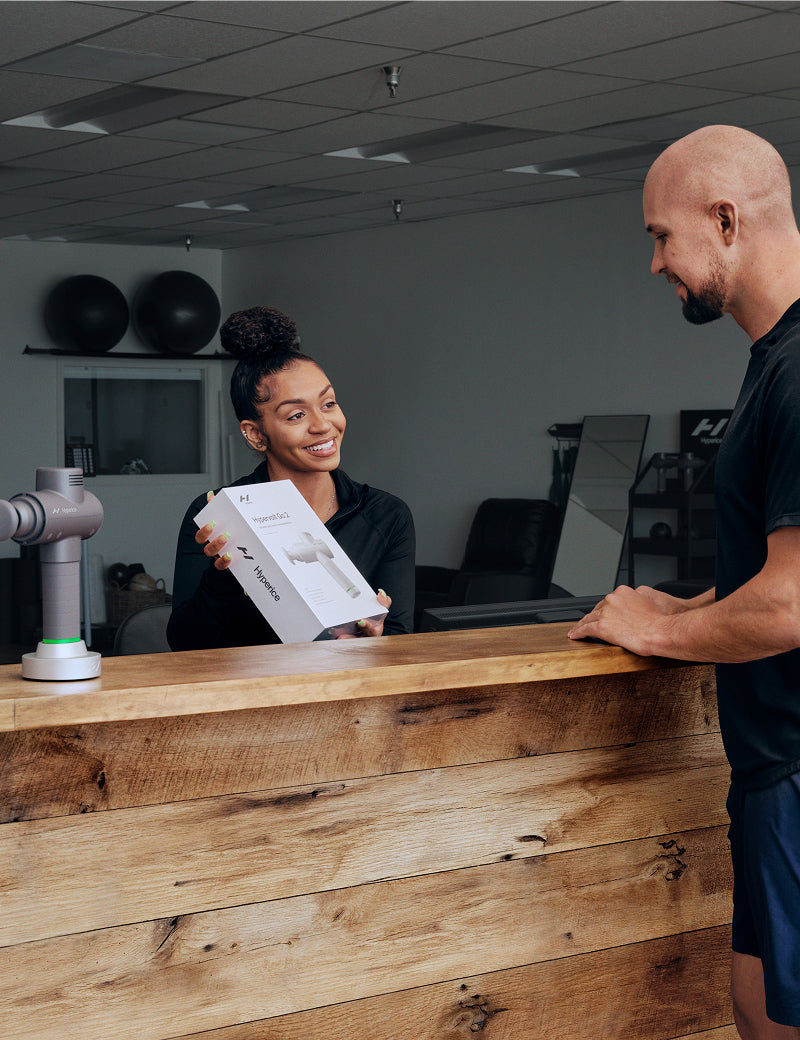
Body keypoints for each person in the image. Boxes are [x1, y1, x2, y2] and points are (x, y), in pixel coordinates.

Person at [568, 125, 800, 1039]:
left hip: (794, 763)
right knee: (754, 1005)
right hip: (771, 767)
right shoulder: (773, 362)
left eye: (663, 237)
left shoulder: (798, 373)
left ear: (726, 220)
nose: (656, 263)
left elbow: (792, 604)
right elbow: (770, 573)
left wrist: (656, 635)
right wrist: (693, 605)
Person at [167, 306, 415, 650]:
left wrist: (375, 638)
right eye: (296, 414)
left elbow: (401, 640)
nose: (322, 425)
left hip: (348, 693)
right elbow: (183, 644)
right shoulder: (217, 516)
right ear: (255, 434)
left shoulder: (386, 515)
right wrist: (222, 576)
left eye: (328, 403)